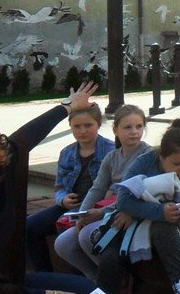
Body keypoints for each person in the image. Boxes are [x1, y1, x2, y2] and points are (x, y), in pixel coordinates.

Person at [0, 84, 97, 294]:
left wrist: (68, 106)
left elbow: (24, 138)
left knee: (84, 290)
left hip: (2, 285)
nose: (4, 146)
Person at [96, 119, 180, 294]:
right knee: (110, 254)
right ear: (161, 156)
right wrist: (157, 210)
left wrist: (143, 209)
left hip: (179, 225)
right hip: (138, 224)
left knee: (163, 226)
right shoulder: (144, 161)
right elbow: (124, 199)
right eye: (176, 164)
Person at [53, 105, 152, 279]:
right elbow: (97, 188)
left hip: (131, 212)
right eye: (127, 127)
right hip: (109, 210)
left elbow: (140, 193)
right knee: (63, 244)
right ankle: (96, 279)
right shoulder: (112, 157)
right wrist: (83, 214)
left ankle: (117, 278)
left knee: (86, 236)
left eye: (139, 126)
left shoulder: (147, 155)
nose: (134, 132)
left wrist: (101, 213)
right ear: (115, 130)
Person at [24, 101, 114, 272]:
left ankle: (79, 279)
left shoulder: (111, 151)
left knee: (67, 228)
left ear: (98, 124)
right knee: (30, 226)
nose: (82, 131)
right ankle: (46, 275)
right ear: (70, 126)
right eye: (77, 126)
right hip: (70, 205)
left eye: (88, 125)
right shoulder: (67, 152)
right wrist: (63, 199)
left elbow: (114, 186)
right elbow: (59, 187)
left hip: (95, 207)